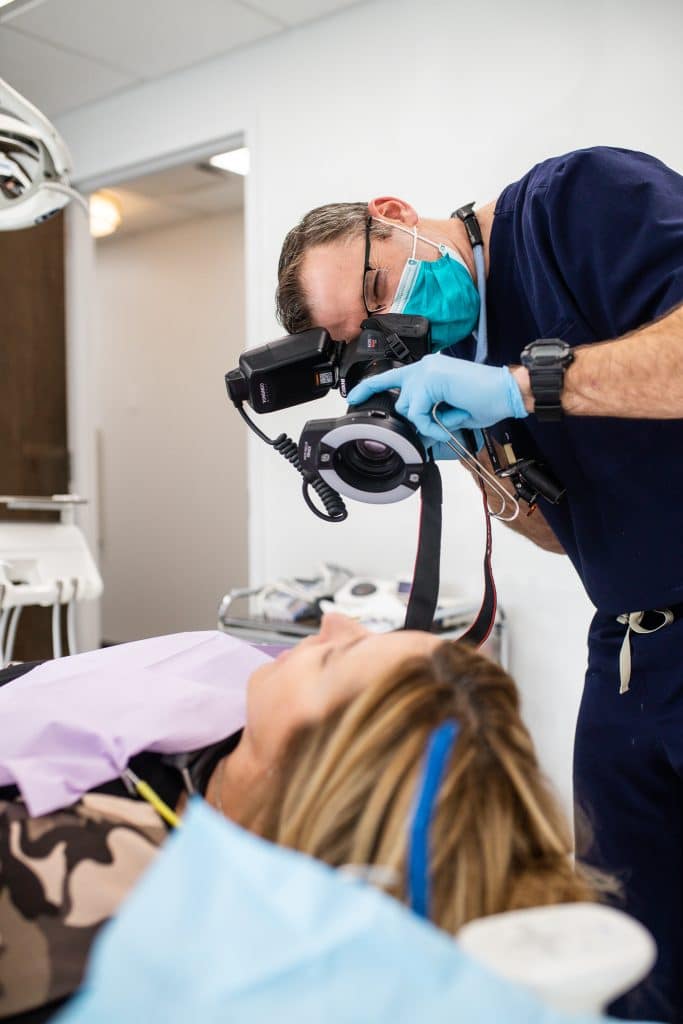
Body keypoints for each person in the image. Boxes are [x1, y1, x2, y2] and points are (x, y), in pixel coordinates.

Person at [274, 145, 683, 1022]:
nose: (394, 322)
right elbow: (562, 535)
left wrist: (519, 387)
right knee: (621, 939)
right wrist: (469, 452)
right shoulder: (461, 354)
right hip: (626, 647)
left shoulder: (575, 201)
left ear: (391, 213)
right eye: (365, 332)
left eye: (378, 287)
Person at [0, 614, 599, 1022]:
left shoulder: (98, 912)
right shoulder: (204, 711)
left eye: (336, 656)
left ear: (319, 764)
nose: (332, 623)